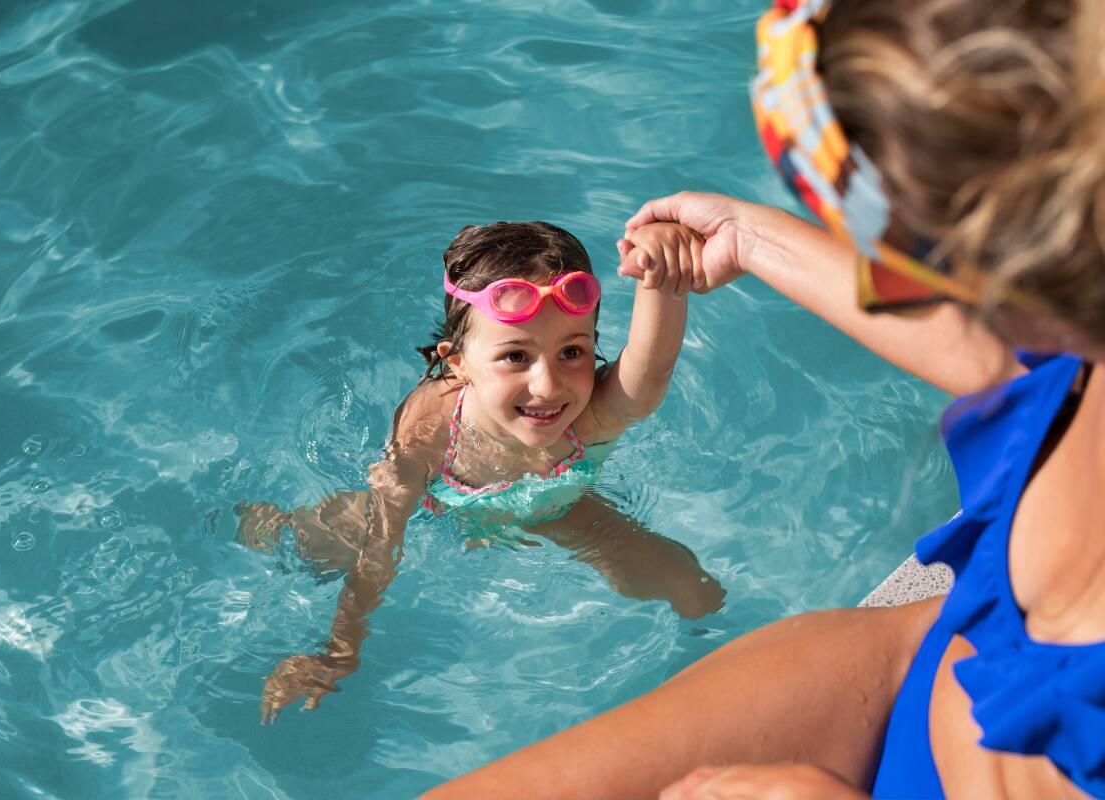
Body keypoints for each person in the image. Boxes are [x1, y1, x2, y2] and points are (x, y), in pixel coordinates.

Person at [424, 0, 1105, 797]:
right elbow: (988, 347)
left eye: (872, 236)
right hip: (914, 663)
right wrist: (752, 237)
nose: (877, 284)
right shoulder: (1068, 364)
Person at [238, 220, 725, 721]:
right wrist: (341, 650)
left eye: (571, 352)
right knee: (318, 544)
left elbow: (651, 367)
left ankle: (725, 672)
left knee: (690, 584)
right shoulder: (430, 429)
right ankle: (268, 522)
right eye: (515, 355)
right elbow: (381, 548)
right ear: (458, 363)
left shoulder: (595, 413)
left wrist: (662, 280)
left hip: (558, 507)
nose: (548, 385)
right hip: (439, 507)